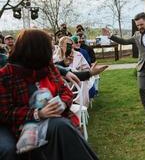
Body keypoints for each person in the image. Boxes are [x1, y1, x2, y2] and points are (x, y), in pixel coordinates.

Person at [0, 29, 98, 159]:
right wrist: (38, 113)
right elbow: (5, 112)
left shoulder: (48, 67)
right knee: (61, 127)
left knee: (62, 127)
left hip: (56, 118)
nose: (51, 52)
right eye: (48, 48)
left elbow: (66, 92)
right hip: (25, 126)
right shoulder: (7, 75)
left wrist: (61, 104)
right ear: (35, 50)